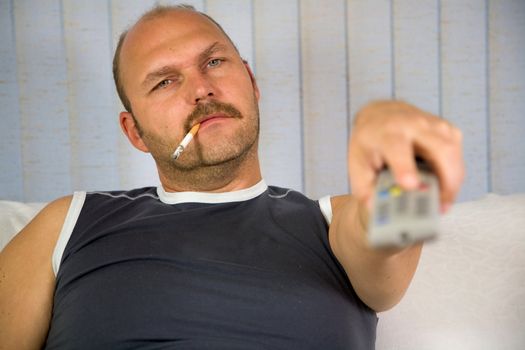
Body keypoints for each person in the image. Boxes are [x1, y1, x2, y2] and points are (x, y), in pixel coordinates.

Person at [0, 4, 464, 350]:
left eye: (214, 62)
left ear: (252, 83)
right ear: (135, 132)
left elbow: (393, 241)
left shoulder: (333, 221)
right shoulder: (69, 222)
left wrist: (410, 158)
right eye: (164, 81)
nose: (201, 89)